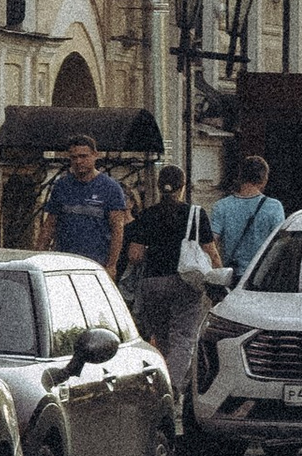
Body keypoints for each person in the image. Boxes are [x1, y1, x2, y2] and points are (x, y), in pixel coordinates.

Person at [119, 163, 221, 398]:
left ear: (158, 186)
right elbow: (211, 252)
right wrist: (219, 278)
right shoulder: (195, 214)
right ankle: (173, 387)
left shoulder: (147, 215)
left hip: (153, 283)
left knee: (162, 337)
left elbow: (134, 255)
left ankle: (163, 381)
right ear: (182, 187)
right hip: (186, 282)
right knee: (183, 336)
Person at [36, 131, 131, 274]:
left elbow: (117, 229)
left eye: (83, 156)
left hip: (96, 264)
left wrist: (111, 265)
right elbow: (50, 224)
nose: (78, 161)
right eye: (74, 157)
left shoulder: (110, 188)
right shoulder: (62, 186)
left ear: (95, 155)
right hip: (64, 263)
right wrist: (39, 257)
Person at [209, 154, 286, 282]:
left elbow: (212, 244)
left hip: (231, 275)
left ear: (240, 177)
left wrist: (219, 272)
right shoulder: (274, 207)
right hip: (261, 277)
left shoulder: (221, 206)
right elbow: (279, 245)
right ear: (264, 179)